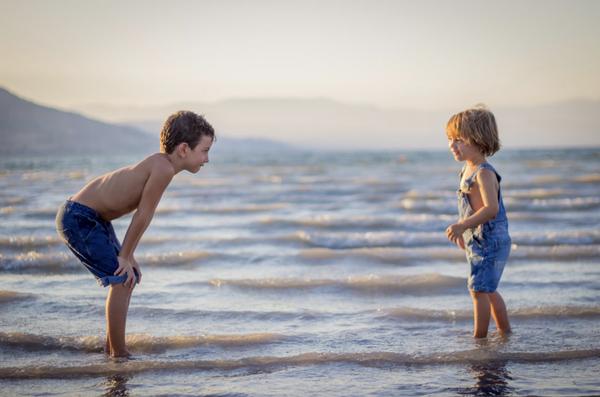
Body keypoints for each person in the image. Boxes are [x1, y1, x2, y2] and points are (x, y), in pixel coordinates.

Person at [55, 111, 215, 357]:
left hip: (93, 218)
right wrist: (124, 255)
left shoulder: (162, 165)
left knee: (130, 276)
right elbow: (143, 215)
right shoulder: (163, 168)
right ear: (184, 149)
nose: (206, 158)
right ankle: (118, 354)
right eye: (204, 150)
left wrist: (129, 256)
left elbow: (140, 215)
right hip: (78, 217)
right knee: (120, 278)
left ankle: (111, 347)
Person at [445, 105, 511, 338]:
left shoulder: (483, 173)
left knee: (478, 290)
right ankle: (505, 332)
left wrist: (463, 225)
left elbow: (491, 209)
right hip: (477, 238)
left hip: (491, 239)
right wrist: (465, 232)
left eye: (458, 140)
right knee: (488, 290)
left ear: (478, 139)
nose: (452, 145)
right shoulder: (465, 170)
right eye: (450, 139)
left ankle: (479, 338)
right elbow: (469, 209)